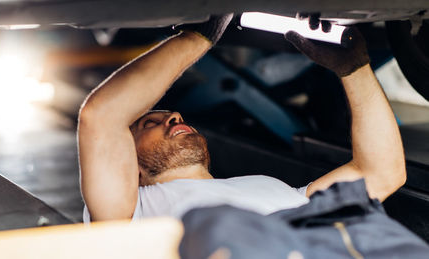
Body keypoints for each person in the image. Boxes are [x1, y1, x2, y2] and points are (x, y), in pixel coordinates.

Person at [77, 14, 429, 257]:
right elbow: (102, 116)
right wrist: (198, 37)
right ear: (128, 166)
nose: (174, 116)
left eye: (173, 114)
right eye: (148, 123)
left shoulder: (272, 188)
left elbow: (382, 174)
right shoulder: (130, 216)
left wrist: (355, 69)